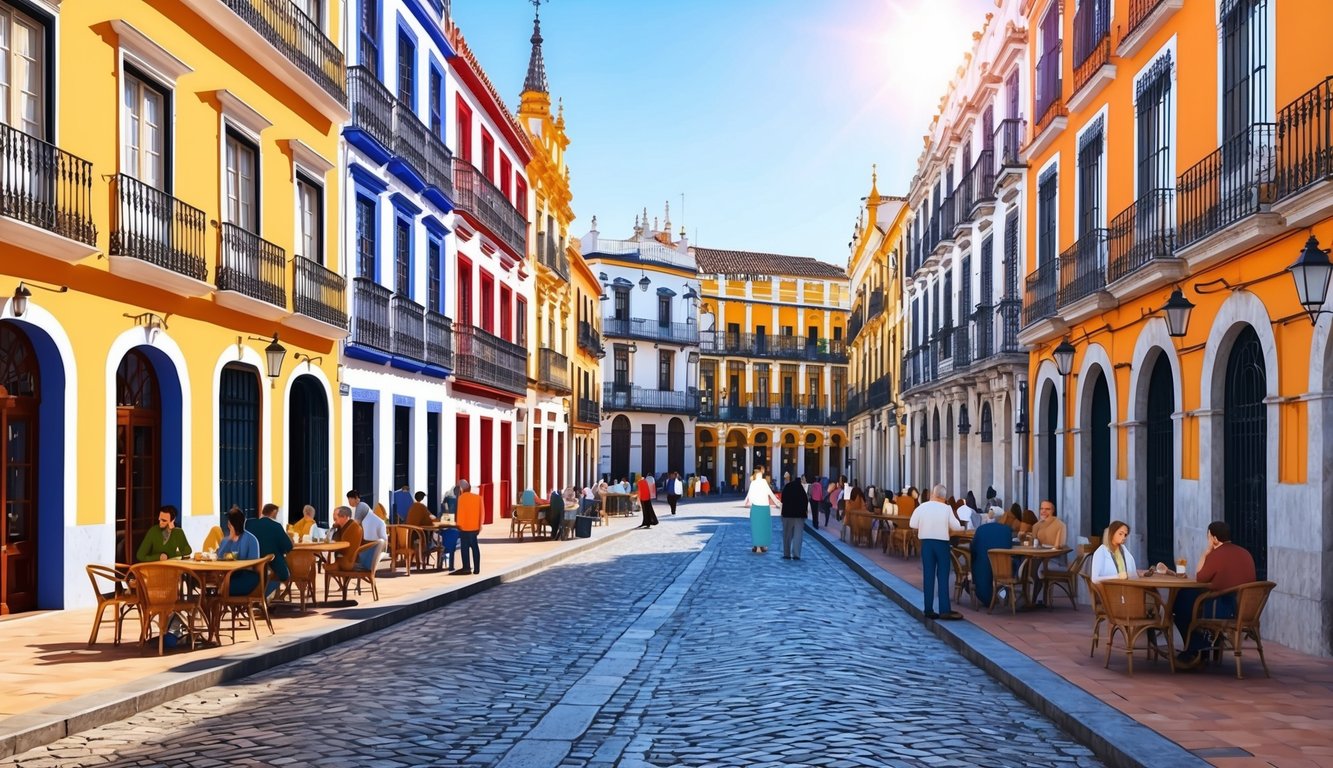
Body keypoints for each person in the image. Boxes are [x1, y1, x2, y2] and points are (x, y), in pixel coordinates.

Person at [1174, 521, 1257, 668]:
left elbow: (1200, 578)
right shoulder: (1245, 553)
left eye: (1208, 537)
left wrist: (1206, 553)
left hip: (1225, 607)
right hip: (1246, 608)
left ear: (1214, 538)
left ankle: (1196, 647)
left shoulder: (1217, 554)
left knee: (1181, 602)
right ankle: (1203, 644)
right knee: (1190, 599)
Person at [911, 484, 965, 620]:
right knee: (942, 576)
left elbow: (912, 523)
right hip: (942, 543)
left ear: (933, 494)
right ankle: (944, 609)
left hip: (927, 543)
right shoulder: (946, 509)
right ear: (944, 497)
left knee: (928, 575)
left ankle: (928, 609)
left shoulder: (922, 507)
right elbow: (956, 527)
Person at [970, 509, 1017, 606]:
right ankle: (1004, 593)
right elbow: (1009, 547)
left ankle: (990, 598)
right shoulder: (1007, 530)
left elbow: (973, 548)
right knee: (1016, 563)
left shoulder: (981, 529)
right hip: (1003, 568)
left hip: (982, 567)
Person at [247, 503, 291, 596]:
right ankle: (265, 595)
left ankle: (261, 595)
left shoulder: (249, 524)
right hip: (272, 561)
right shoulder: (276, 526)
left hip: (252, 562)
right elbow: (288, 546)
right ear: (274, 512)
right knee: (284, 575)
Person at [217, 508, 263, 596]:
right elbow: (219, 557)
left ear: (231, 524)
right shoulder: (226, 540)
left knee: (220, 589)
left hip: (247, 577)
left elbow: (252, 563)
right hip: (229, 576)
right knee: (215, 588)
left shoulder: (251, 539)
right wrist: (229, 540)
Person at [743, 466, 780, 554]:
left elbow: (749, 495)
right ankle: (763, 545)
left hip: (756, 507)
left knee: (756, 527)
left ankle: (758, 546)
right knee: (764, 527)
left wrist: (749, 503)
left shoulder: (753, 483)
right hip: (764, 507)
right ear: (761, 473)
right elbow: (770, 493)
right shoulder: (763, 482)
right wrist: (777, 502)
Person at [451, 480, 483, 575]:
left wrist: (458, 525)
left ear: (461, 489)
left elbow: (460, 513)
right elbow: (482, 513)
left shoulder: (461, 499)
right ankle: (477, 568)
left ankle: (466, 567)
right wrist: (479, 525)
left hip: (464, 527)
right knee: (475, 547)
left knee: (464, 548)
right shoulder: (478, 498)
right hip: (474, 527)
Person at [781, 474, 808, 560]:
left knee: (787, 535)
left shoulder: (787, 487)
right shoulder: (801, 490)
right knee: (798, 536)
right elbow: (805, 502)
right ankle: (796, 554)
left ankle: (787, 553)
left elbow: (783, 500)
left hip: (787, 514)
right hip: (799, 516)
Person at [358, 494, 388, 571]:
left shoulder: (366, 522)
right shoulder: (379, 522)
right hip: (371, 552)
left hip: (368, 555)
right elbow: (384, 541)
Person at [329, 506, 363, 572]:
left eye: (336, 516)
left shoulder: (354, 527)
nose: (333, 519)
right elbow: (334, 541)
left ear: (344, 517)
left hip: (352, 561)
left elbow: (346, 548)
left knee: (328, 567)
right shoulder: (341, 528)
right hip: (341, 558)